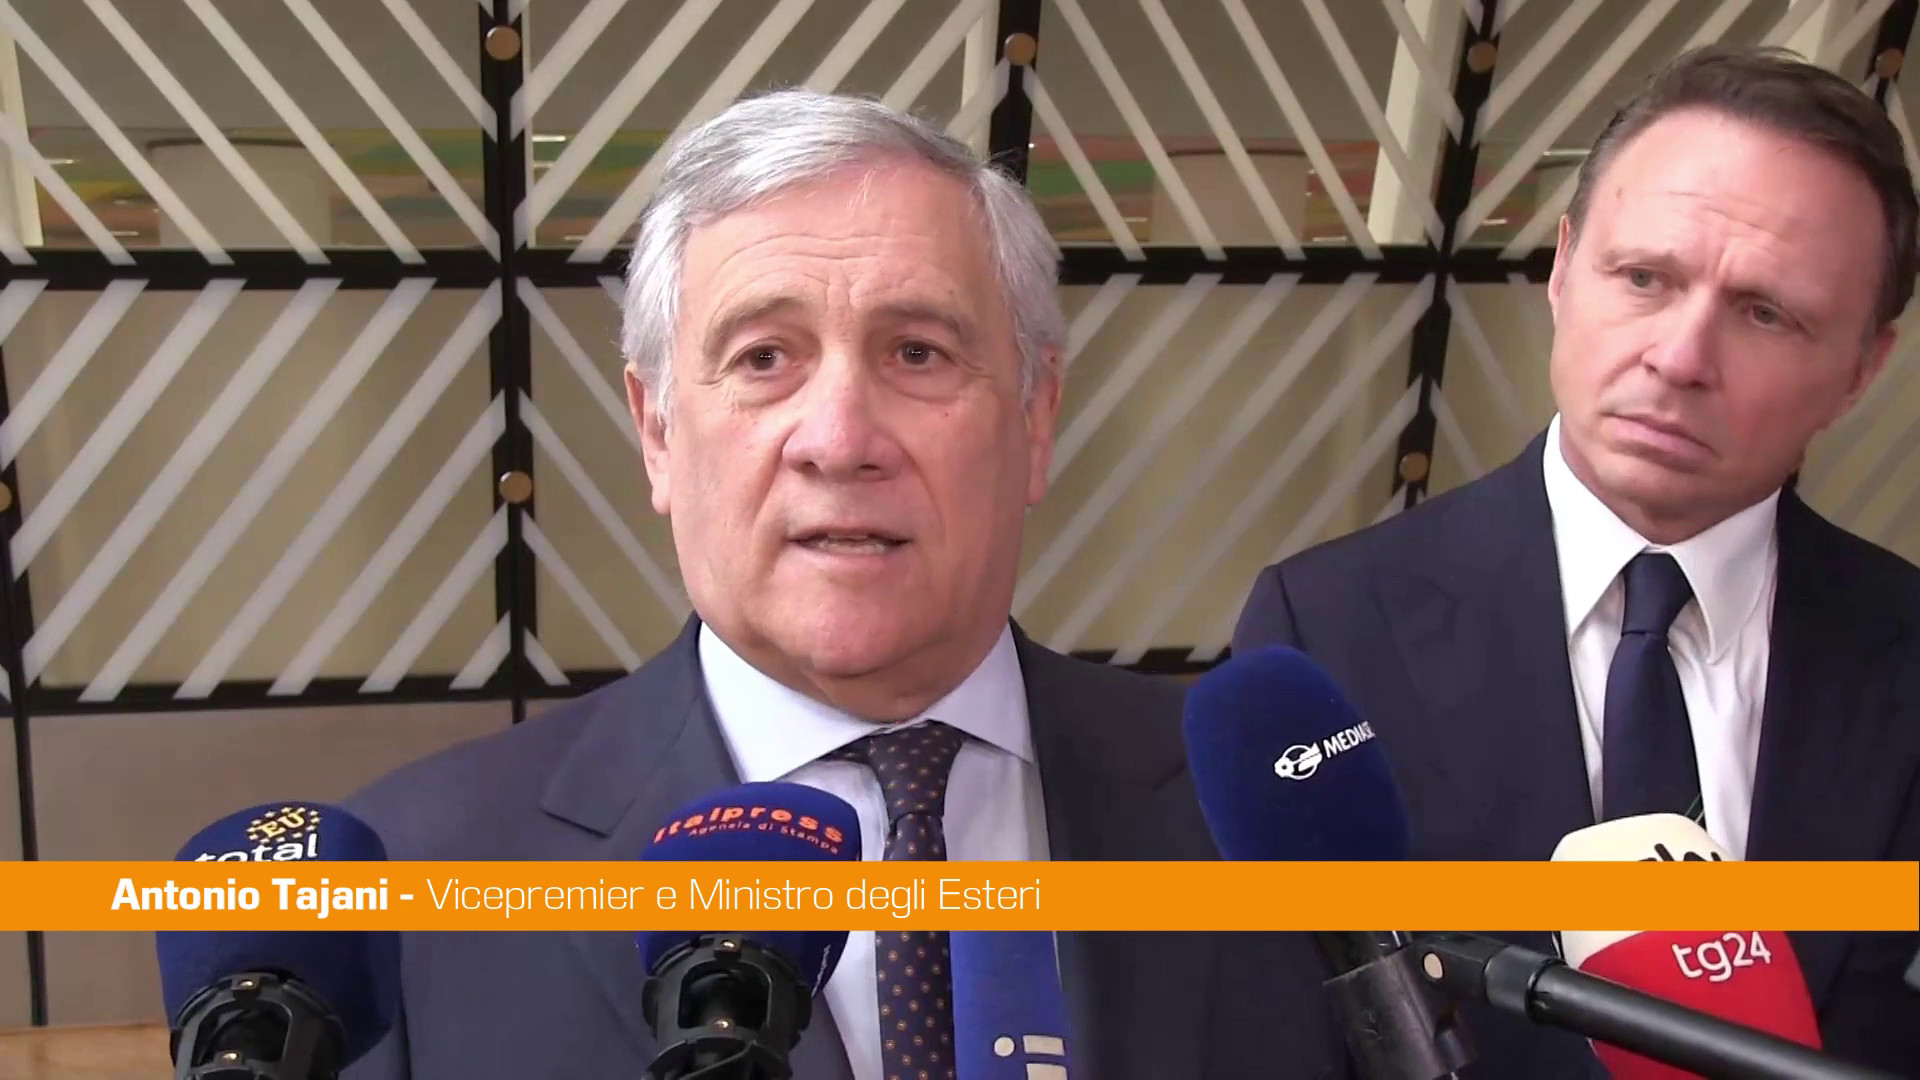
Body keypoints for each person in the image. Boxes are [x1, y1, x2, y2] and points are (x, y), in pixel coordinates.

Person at [342, 89, 1344, 1080]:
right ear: (656, 432)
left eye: (917, 352)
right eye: (764, 358)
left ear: (1035, 417)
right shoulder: (409, 882)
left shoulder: (1277, 819)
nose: (839, 439)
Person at [1233, 45, 1920, 1076]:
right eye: (1644, 278)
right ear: (1561, 269)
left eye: (1765, 312)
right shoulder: (1322, 632)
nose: (1679, 358)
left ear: (1863, 367)